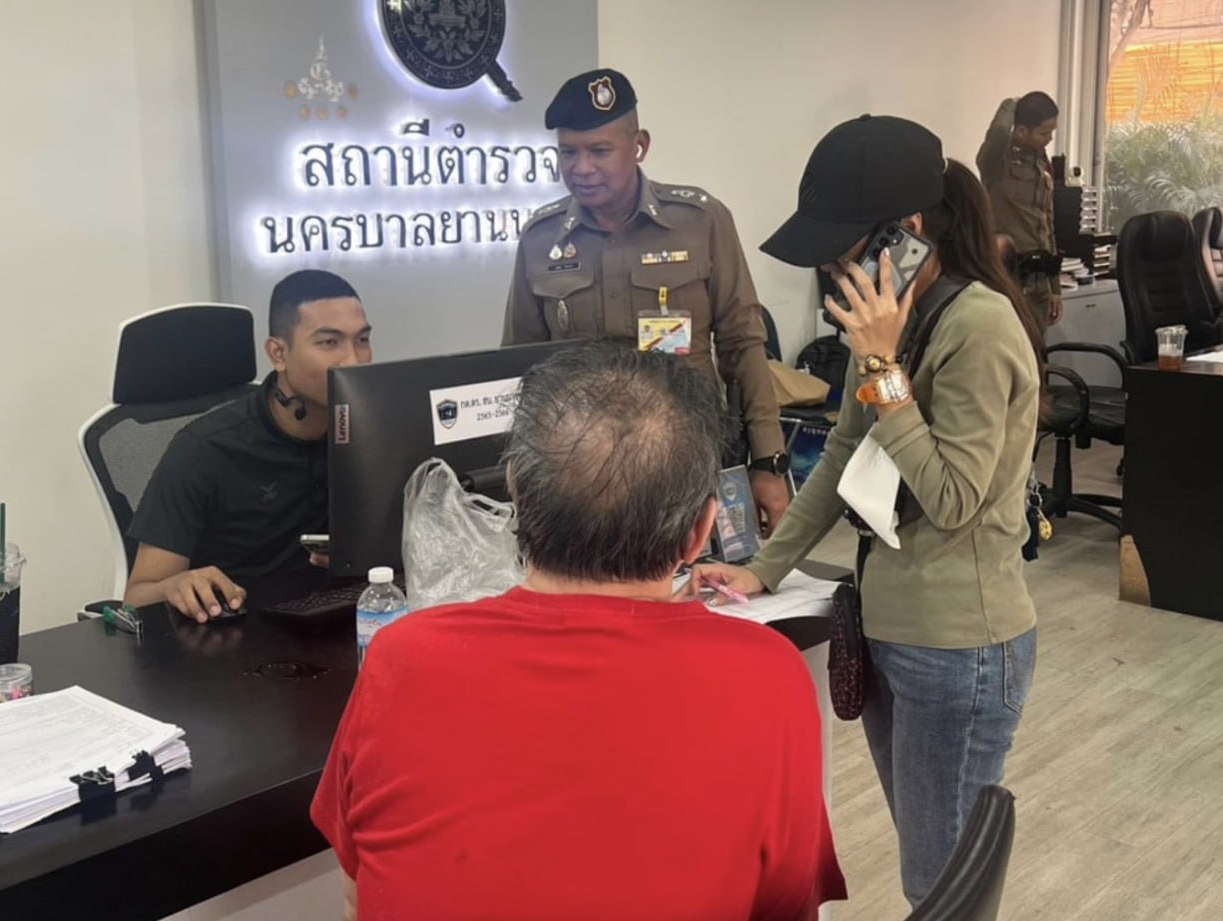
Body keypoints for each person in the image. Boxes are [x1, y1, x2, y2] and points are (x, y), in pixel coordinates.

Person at [311, 343, 846, 921]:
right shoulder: (767, 676)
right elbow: (787, 908)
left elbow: (358, 894)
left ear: (516, 497)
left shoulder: (402, 657)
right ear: (701, 531)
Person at [693, 115, 1042, 908]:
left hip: (960, 644)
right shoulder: (883, 325)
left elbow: (951, 498)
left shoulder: (978, 327)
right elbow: (846, 458)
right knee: (930, 866)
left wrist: (884, 368)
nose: (831, 276)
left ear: (906, 234)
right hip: (893, 628)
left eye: (842, 256)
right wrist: (762, 569)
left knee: (940, 886)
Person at [503, 67, 790, 536]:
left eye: (599, 151)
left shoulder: (700, 222)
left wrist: (768, 461)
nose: (581, 168)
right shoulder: (542, 238)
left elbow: (743, 345)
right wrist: (518, 469)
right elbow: (520, 364)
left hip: (688, 463)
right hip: (580, 474)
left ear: (639, 146)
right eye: (568, 152)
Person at [124, 269, 372, 622]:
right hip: (237, 634)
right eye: (329, 343)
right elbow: (136, 598)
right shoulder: (205, 449)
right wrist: (174, 586)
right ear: (278, 353)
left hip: (344, 620)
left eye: (362, 340)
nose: (354, 360)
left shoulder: (373, 430)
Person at [977, 91, 1061, 331]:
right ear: (1022, 131)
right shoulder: (997, 162)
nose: (1049, 139)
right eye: (1044, 133)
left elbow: (1047, 226)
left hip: (1039, 282)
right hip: (1008, 281)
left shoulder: (1042, 164)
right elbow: (998, 132)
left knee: (1037, 352)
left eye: (1052, 132)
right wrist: (1012, 103)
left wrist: (1055, 288)